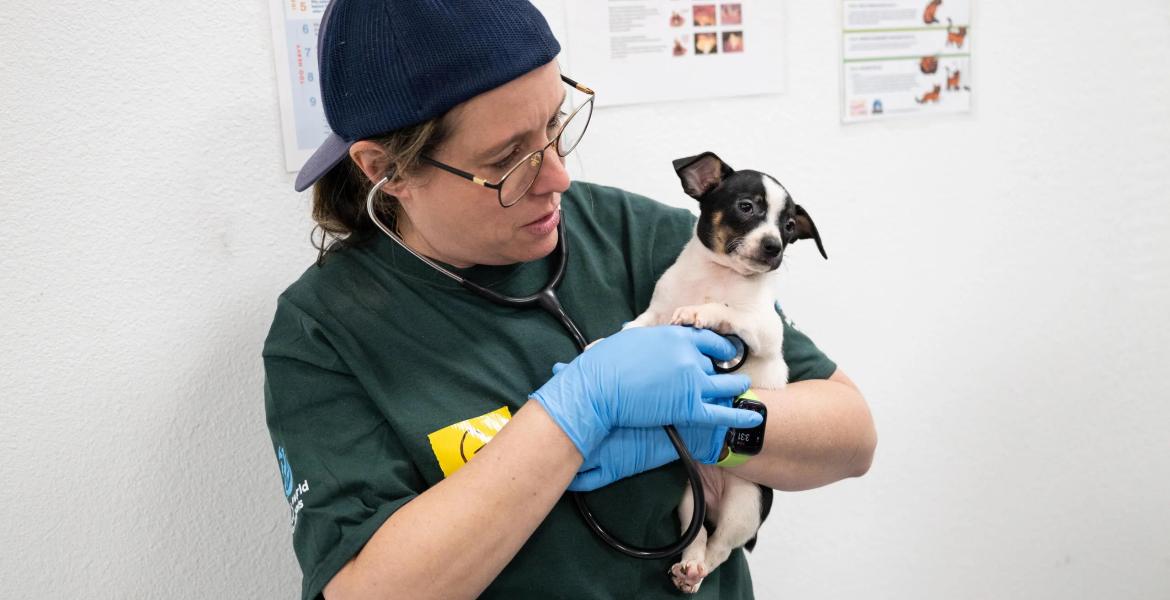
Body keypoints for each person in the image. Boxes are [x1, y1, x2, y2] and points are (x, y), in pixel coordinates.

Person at [262, 1, 877, 599]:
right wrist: (573, 414)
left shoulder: (639, 234)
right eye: (508, 158)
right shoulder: (324, 332)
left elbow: (851, 437)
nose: (559, 176)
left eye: (556, 123)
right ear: (387, 171)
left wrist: (708, 432)